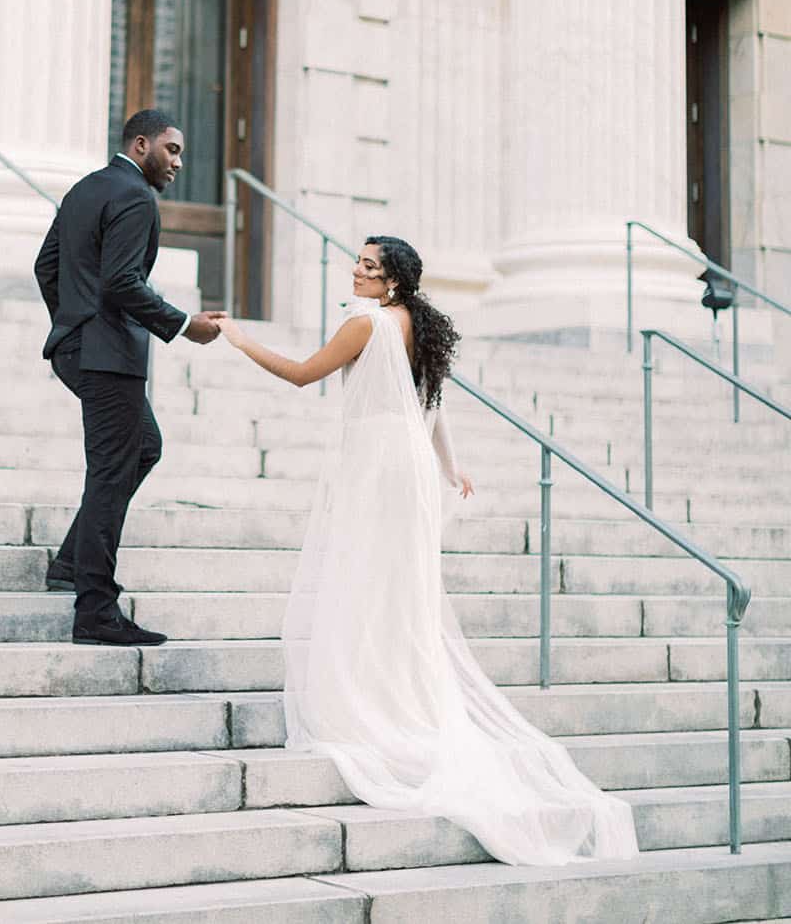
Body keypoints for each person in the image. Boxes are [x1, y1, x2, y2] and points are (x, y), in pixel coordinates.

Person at [215, 235, 639, 867]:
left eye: (369, 266)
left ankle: (368, 703)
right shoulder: (421, 325)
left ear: (391, 281)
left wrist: (239, 339)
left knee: (365, 580)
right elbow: (432, 408)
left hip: (377, 464)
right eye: (358, 263)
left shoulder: (365, 324)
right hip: (408, 463)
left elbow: (304, 375)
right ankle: (397, 694)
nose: (356, 272)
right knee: (397, 587)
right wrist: (450, 467)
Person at [34, 108, 222, 648]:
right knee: (112, 470)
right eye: (173, 149)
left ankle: (72, 562)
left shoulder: (83, 190)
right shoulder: (137, 195)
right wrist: (186, 324)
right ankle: (95, 609)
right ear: (141, 145)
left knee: (144, 446)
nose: (179, 163)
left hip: (79, 348)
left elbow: (45, 268)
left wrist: (71, 322)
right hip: (107, 355)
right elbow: (121, 283)